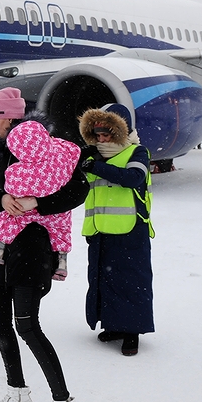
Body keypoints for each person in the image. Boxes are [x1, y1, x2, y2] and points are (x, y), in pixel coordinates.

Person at [0, 87, 89, 402]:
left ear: (9, 117)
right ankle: (18, 395)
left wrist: (35, 202)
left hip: (32, 247)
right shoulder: (1, 154)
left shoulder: (52, 151)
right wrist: (4, 197)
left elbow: (78, 191)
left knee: (27, 325)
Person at [77, 103, 155, 357]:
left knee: (132, 282)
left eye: (106, 134)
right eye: (97, 134)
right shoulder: (93, 155)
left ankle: (132, 332)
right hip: (100, 230)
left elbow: (133, 178)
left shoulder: (137, 152)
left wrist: (94, 166)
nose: (101, 139)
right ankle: (113, 324)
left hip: (130, 230)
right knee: (104, 280)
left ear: (121, 131)